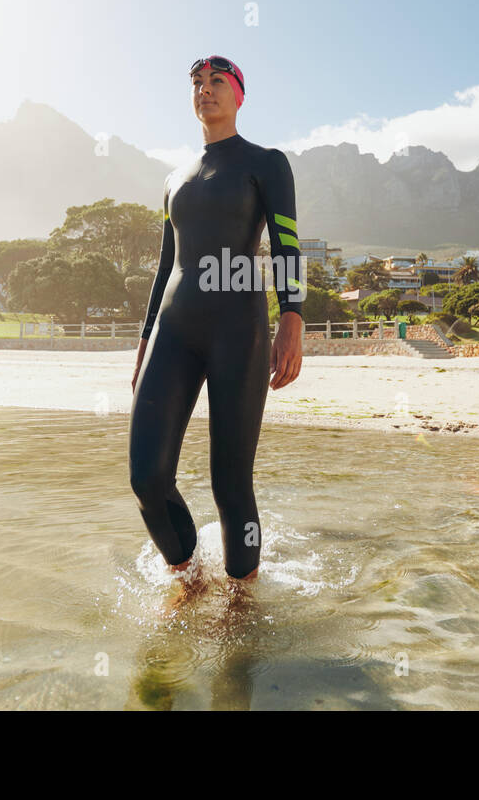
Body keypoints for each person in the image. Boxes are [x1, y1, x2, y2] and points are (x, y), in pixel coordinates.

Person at [129, 55, 304, 584]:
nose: (206, 91)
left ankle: (241, 594)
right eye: (197, 84)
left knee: (230, 483)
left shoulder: (266, 162)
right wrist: (144, 340)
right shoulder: (173, 179)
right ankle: (187, 574)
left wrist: (292, 316)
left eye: (217, 82)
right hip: (173, 331)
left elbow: (286, 244)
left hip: (238, 329)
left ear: (239, 96)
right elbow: (165, 267)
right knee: (147, 478)